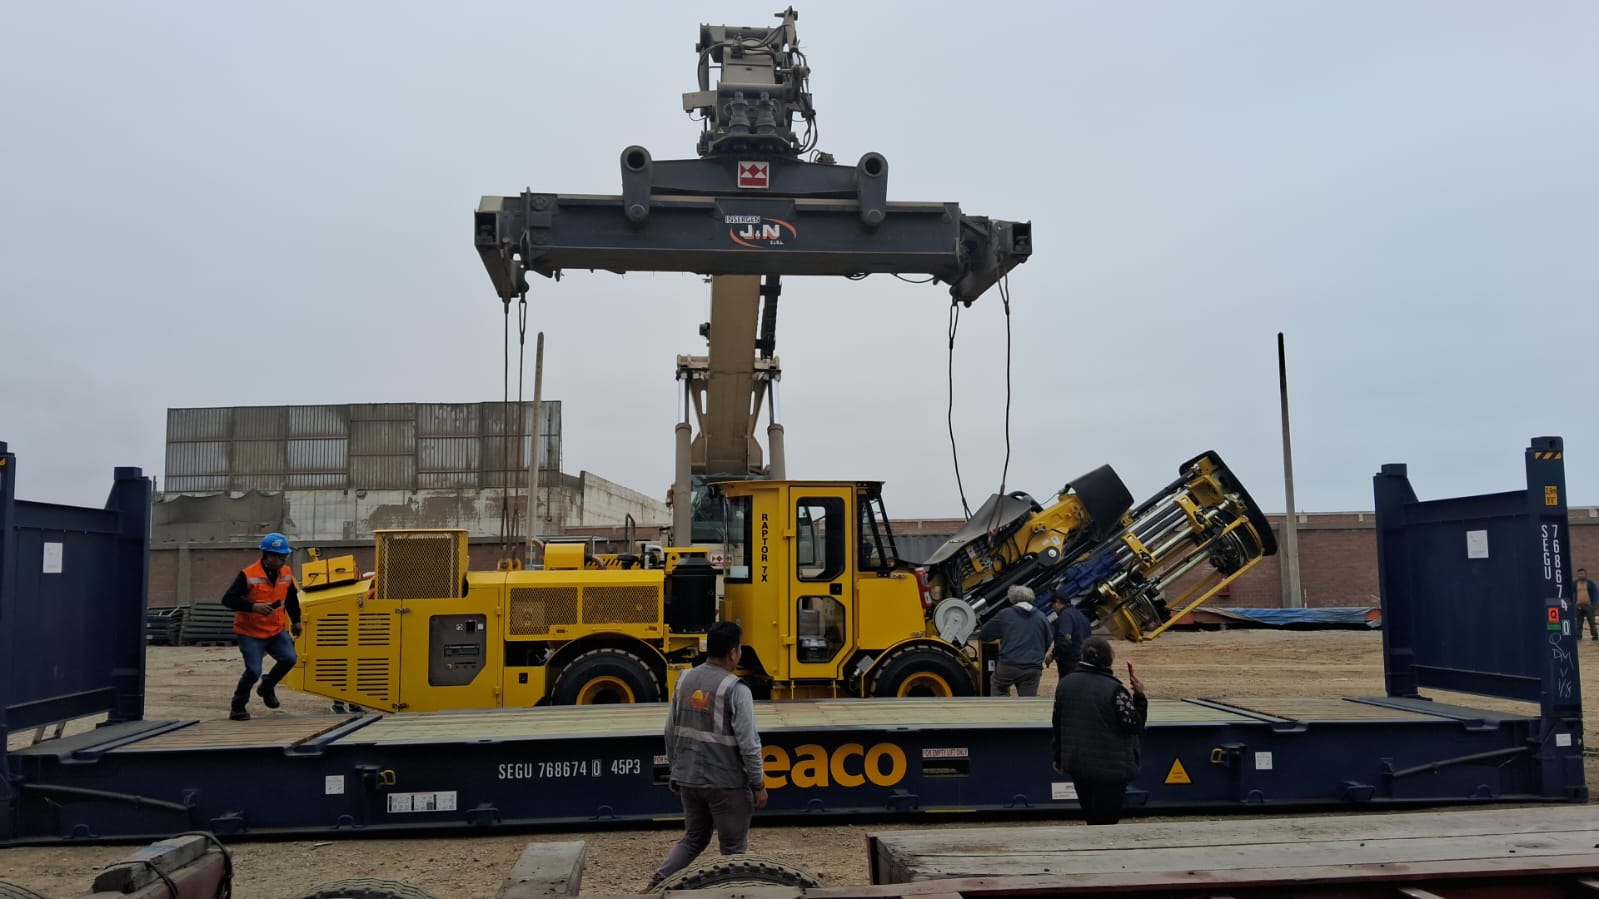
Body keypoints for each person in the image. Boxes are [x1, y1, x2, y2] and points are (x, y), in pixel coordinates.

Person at [649, 620, 768, 889]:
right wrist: (758, 784)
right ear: (733, 653)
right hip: (726, 783)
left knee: (693, 838)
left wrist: (676, 770)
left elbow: (670, 730)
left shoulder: (684, 680)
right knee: (733, 849)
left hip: (690, 779)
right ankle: (735, 894)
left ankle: (657, 884)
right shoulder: (736, 689)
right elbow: (749, 743)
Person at [1051, 636, 1147, 825]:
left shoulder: (1065, 684)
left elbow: (1058, 723)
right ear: (1108, 659)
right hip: (1111, 768)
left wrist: (1058, 756)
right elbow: (1134, 725)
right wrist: (1140, 696)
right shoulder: (1114, 689)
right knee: (1107, 822)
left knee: (1090, 817)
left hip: (1078, 763)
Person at [220, 532, 303, 721]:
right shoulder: (248, 575)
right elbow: (228, 599)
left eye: (285, 556)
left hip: (275, 630)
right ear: (267, 555)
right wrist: (253, 607)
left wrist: (296, 620)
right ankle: (238, 706)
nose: (283, 560)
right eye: (280, 557)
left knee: (289, 659)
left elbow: (291, 598)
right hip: (250, 632)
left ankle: (267, 686)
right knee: (253, 671)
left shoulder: (286, 573)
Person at [979, 585, 1052, 696]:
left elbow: (985, 633)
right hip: (1033, 667)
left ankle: (1002, 705)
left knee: (998, 686)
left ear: (1012, 598)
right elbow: (1048, 640)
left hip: (1009, 665)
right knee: (1028, 699)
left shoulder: (1005, 614)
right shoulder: (1041, 617)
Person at [1047, 594, 1093, 677]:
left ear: (1057, 602)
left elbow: (1064, 637)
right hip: (1083, 659)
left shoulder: (1065, 615)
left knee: (1067, 683)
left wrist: (1053, 654)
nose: (1053, 609)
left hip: (1070, 661)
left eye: (1052, 606)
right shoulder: (1081, 615)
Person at [1577, 568, 1598, 642]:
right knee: (1579, 623)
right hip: (1579, 605)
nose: (1581, 575)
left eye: (1582, 574)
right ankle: (1578, 636)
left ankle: (1595, 636)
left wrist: (1594, 604)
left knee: (1592, 622)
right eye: (1579, 574)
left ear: (1585, 574)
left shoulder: (1590, 583)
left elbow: (1595, 593)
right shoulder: (1575, 583)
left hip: (1588, 606)